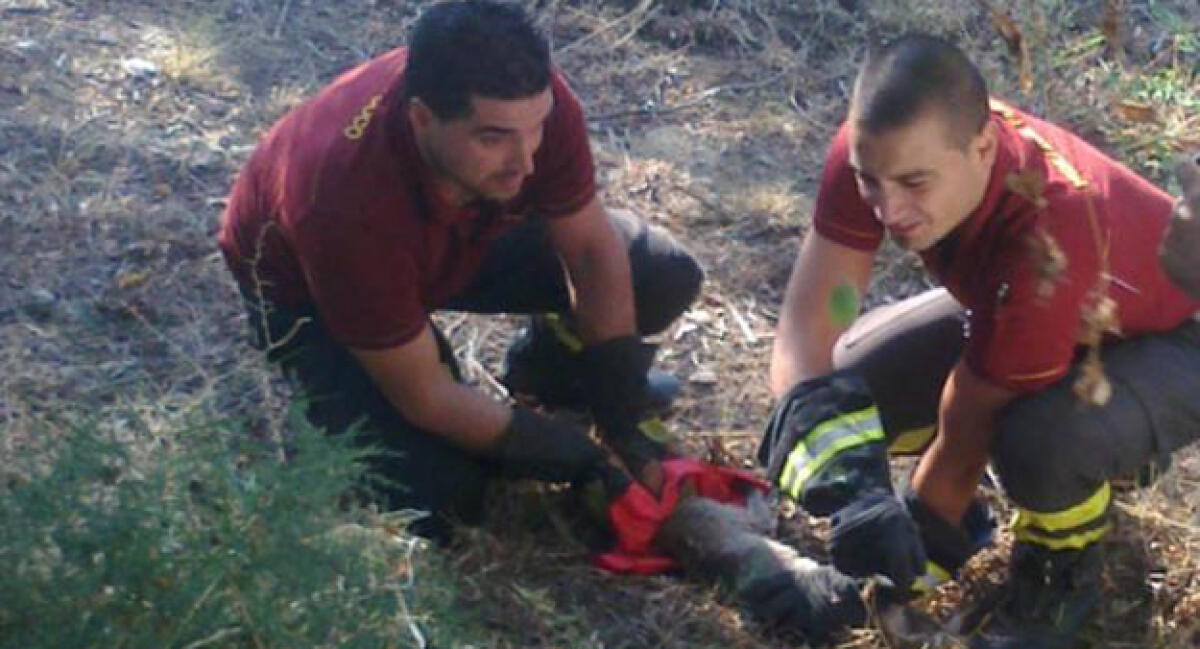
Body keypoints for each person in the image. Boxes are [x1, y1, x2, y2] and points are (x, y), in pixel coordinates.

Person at [760, 35, 1200, 648]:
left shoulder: (1051, 236)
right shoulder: (880, 150)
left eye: (914, 184)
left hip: (1178, 337)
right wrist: (848, 484)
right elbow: (806, 333)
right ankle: (1079, 433)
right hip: (1048, 309)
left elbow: (964, 432)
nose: (889, 210)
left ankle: (1062, 574)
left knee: (1038, 443)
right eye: (870, 184)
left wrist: (894, 576)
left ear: (985, 148)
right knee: (855, 381)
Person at [218, 0, 703, 542]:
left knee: (659, 274)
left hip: (459, 228)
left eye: (536, 129)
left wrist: (620, 411)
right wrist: (572, 456)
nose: (526, 161)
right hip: (313, 289)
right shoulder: (341, 202)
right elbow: (425, 397)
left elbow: (591, 251)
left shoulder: (529, 105)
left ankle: (550, 374)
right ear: (422, 118)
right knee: (441, 496)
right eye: (493, 138)